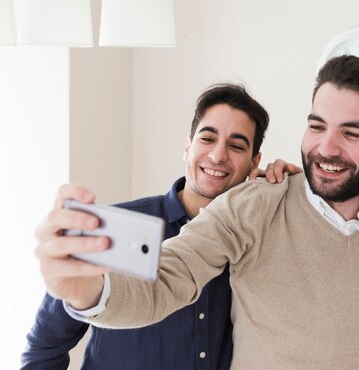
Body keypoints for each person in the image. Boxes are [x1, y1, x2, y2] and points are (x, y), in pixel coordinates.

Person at [34, 55, 359, 370]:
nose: (326, 147)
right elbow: (170, 277)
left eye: (351, 133)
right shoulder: (255, 204)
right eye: (317, 126)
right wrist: (86, 290)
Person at [22, 84, 269, 370]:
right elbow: (44, 347)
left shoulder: (257, 239)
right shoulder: (113, 229)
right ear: (188, 146)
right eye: (207, 138)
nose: (218, 155)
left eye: (236, 146)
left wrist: (289, 191)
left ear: (255, 163)